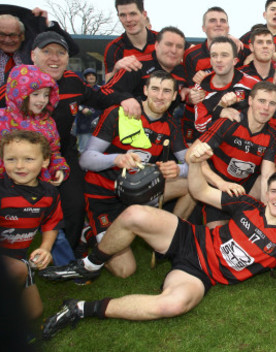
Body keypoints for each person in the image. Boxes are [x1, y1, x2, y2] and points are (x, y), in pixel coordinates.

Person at [40, 145, 276, 340]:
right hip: (189, 237)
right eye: (273, 190)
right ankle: (90, 265)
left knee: (173, 304)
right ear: (266, 190)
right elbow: (199, 192)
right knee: (134, 214)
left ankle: (79, 308)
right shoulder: (247, 204)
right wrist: (195, 162)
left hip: (202, 273)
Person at [0, 31, 140, 252]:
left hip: (59, 152)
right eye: (47, 52)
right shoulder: (17, 82)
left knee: (74, 204)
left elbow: (98, 97)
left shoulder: (73, 82)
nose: (54, 58)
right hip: (13, 159)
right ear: (33, 55)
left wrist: (125, 98)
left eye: (61, 53)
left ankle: (72, 255)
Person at [78, 70, 189, 278]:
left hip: (139, 193)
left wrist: (178, 169)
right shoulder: (119, 113)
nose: (160, 96)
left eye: (167, 91)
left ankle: (168, 237)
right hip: (105, 195)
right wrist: (116, 159)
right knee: (125, 270)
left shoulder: (172, 125)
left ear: (174, 96)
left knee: (192, 185)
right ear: (145, 90)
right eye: (155, 89)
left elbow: (189, 164)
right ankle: (89, 233)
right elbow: (85, 159)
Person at [193, 81, 276, 227]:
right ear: (251, 101)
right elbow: (192, 155)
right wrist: (220, 183)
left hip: (246, 186)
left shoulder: (273, 136)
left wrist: (268, 215)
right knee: (217, 237)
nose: (266, 108)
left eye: (272, 103)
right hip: (218, 185)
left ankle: (263, 220)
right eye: (262, 101)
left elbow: (266, 176)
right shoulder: (230, 121)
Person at [0, 130, 62, 324]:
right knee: (17, 270)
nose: (19, 166)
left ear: (45, 161)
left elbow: (52, 222)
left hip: (19, 259)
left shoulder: (49, 193)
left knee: (33, 313)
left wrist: (45, 247)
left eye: (28, 159)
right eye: (11, 159)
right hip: (10, 263)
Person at [0, 65, 69, 185]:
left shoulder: (48, 123)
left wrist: (58, 169)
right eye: (36, 94)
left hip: (39, 187)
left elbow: (53, 151)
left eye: (46, 95)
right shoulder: (3, 119)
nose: (42, 100)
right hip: (5, 188)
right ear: (20, 94)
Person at [191, 36, 259, 138]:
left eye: (224, 55)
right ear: (210, 60)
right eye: (214, 55)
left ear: (234, 61)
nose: (218, 60)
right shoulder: (201, 88)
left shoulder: (252, 84)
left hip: (246, 142)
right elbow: (200, 126)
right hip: (216, 146)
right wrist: (220, 111)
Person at [0, 6, 79, 86]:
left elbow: (72, 49)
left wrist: (47, 25)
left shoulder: (33, 51)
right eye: (2, 35)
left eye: (13, 35)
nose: (7, 40)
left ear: (22, 36)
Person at [103, 0, 157, 81]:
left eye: (133, 14)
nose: (128, 20)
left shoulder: (162, 40)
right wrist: (116, 69)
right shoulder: (114, 48)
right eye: (123, 15)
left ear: (144, 14)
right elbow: (108, 87)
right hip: (130, 95)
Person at [76, 68, 103, 152]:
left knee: (98, 150)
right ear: (85, 78)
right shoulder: (79, 89)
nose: (91, 77)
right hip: (84, 125)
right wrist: (82, 108)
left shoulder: (101, 90)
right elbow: (74, 103)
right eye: (89, 75)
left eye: (93, 75)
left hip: (98, 126)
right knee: (83, 149)